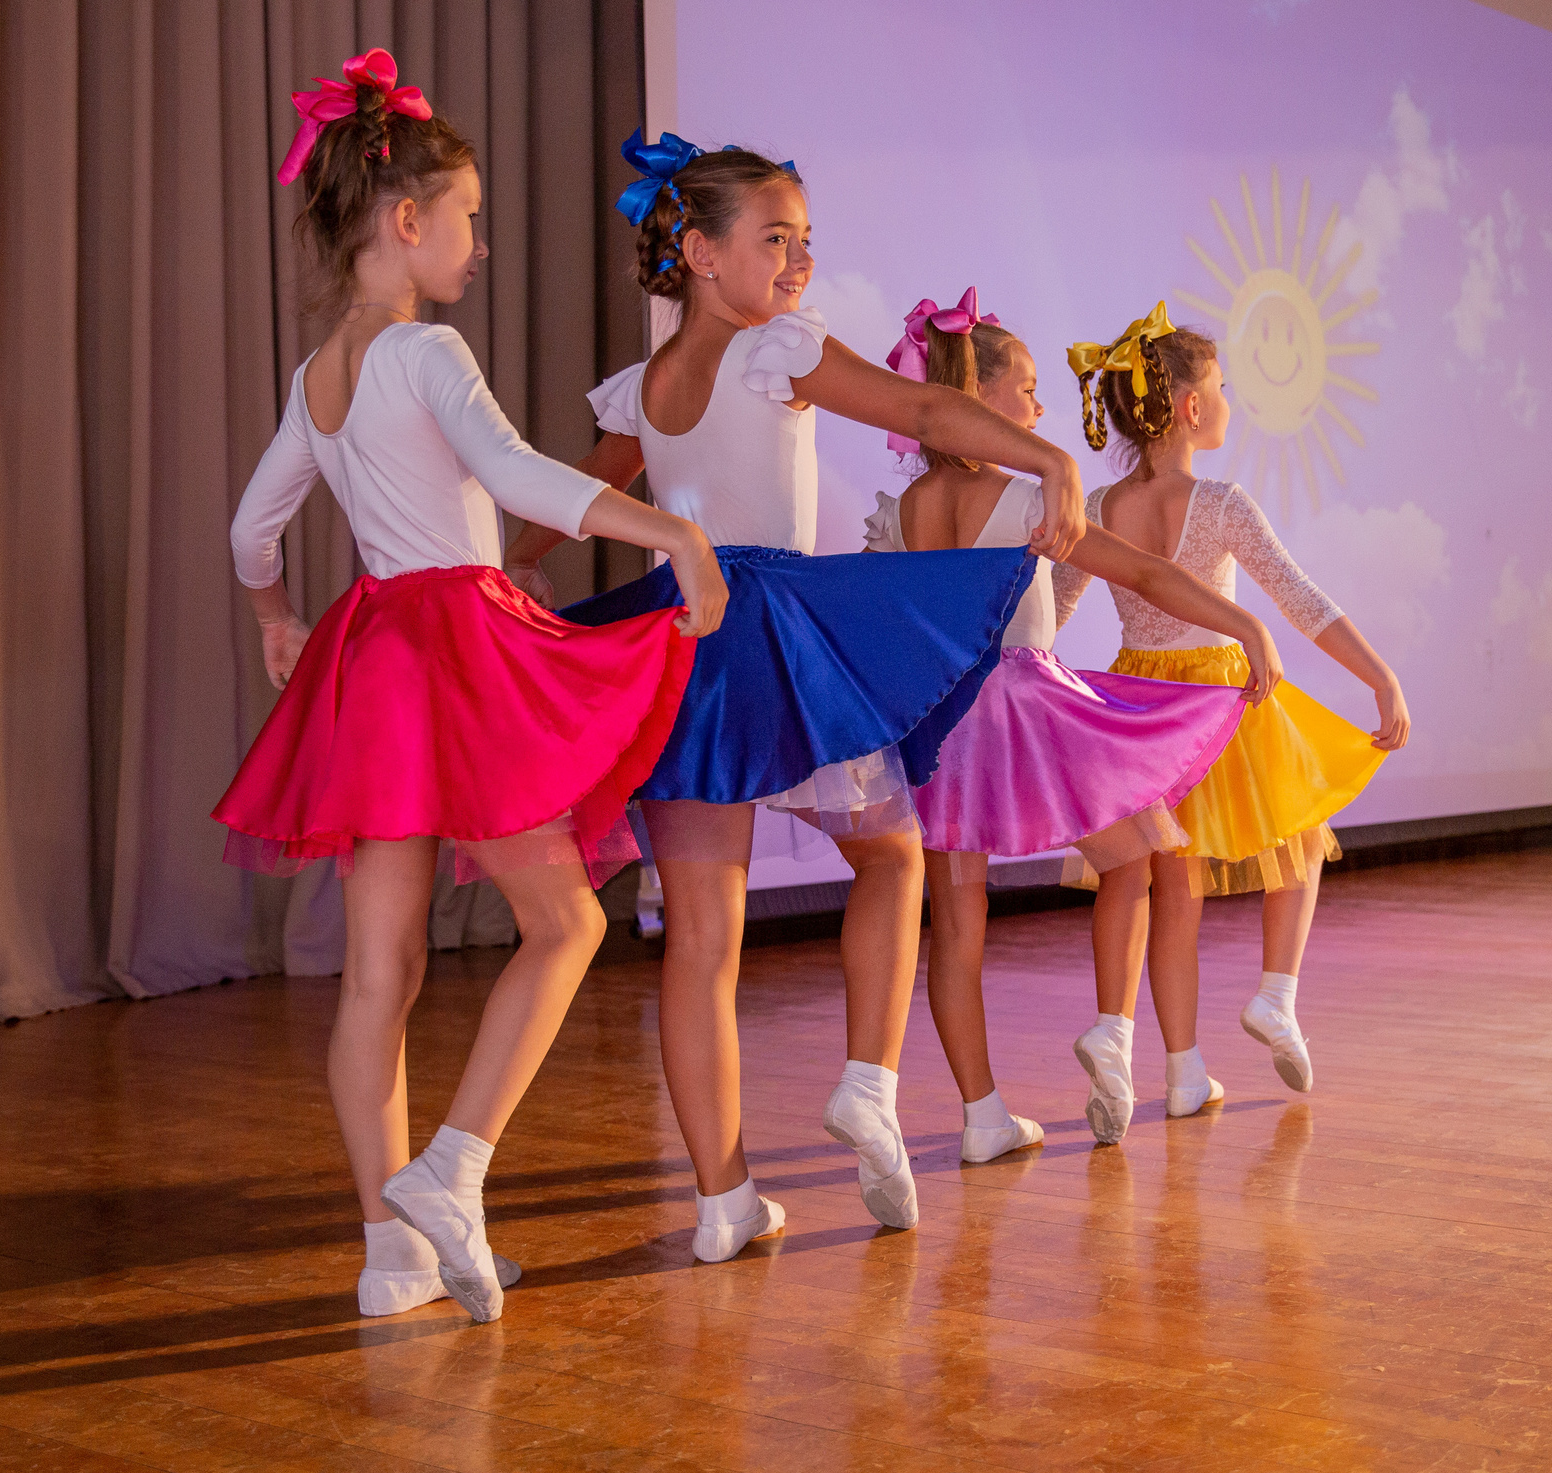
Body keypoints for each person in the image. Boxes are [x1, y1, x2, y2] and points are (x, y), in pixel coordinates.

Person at [504, 135, 1085, 1261]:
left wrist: (525, 556)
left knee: (702, 943)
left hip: (680, 641)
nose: (799, 263)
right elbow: (923, 416)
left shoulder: (647, 387)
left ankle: (724, 1199)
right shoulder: (778, 349)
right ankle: (866, 1081)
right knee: (891, 855)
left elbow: (588, 489)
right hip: (767, 628)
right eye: (775, 240)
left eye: (806, 243)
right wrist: (1045, 456)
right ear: (700, 251)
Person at [215, 54, 725, 1322]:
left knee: (376, 974)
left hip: (370, 656)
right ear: (406, 222)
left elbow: (249, 529)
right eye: (470, 217)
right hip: (452, 644)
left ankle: (391, 1253)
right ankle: (454, 1167)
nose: (479, 243)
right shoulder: (425, 350)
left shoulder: (315, 376)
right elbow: (519, 477)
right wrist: (670, 535)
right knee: (570, 924)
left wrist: (278, 617)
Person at [864, 290, 1280, 1162]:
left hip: (939, 726)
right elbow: (1142, 571)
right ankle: (1110, 1029)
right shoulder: (1021, 500)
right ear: (979, 401)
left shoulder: (897, 515)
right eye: (1025, 390)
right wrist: (1243, 624)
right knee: (1137, 854)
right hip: (1026, 712)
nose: (1040, 409)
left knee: (958, 916)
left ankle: (982, 1113)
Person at [1052, 306, 1408, 1141]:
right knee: (1304, 829)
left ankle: (1181, 1072)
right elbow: (1300, 600)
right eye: (1220, 386)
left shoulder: (1100, 503)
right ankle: (1276, 995)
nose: (1228, 399)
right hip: (1220, 698)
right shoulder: (1218, 500)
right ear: (1188, 407)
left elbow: (1057, 609)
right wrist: (1379, 676)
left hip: (1140, 702)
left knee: (1175, 886)